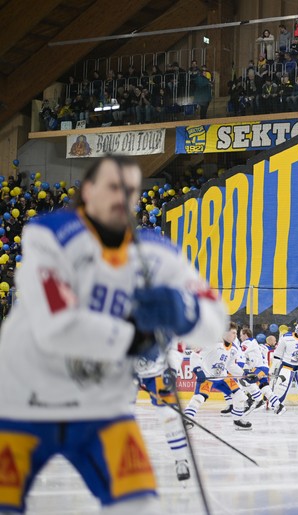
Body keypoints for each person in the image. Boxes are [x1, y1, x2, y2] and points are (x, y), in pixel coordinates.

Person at [0, 155, 227, 513]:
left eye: (130, 189)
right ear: (87, 191)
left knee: (138, 502)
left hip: (99, 406)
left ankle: (180, 460)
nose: (121, 197)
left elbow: (216, 321)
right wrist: (136, 338)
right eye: (111, 186)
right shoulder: (50, 237)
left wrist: (185, 311)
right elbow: (57, 326)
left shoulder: (157, 254)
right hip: (26, 400)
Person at [183, 325, 255, 430]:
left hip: (223, 377)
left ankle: (238, 420)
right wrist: (198, 370)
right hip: (208, 377)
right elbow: (195, 355)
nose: (235, 336)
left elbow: (230, 365)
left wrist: (244, 374)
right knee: (199, 398)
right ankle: (187, 418)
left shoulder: (234, 349)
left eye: (236, 333)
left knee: (240, 396)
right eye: (233, 333)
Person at [136, 341, 190, 482]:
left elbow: (177, 345)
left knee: (169, 416)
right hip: (126, 370)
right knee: (119, 416)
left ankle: (181, 460)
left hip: (158, 372)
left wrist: (171, 370)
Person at [239, 327, 285, 414]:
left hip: (258, 368)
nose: (240, 337)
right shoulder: (256, 343)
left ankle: (256, 401)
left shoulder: (247, 342)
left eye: (241, 335)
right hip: (262, 368)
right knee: (265, 388)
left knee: (244, 381)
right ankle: (279, 405)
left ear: (245, 335)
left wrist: (238, 364)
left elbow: (240, 356)